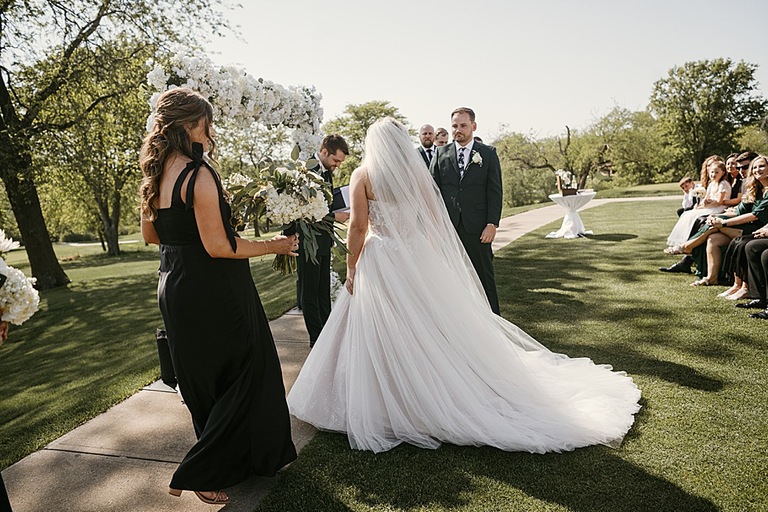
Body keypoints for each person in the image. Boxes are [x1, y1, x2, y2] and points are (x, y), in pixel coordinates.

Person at [287, 117, 640, 454]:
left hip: (380, 258)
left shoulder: (364, 175)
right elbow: (433, 220)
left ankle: (389, 397)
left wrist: (352, 267)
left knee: (381, 327)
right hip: (415, 255)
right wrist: (429, 257)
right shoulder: (416, 173)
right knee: (427, 326)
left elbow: (358, 227)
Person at [140, 88, 297, 505]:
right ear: (193, 125)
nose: (211, 131)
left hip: (174, 284)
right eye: (207, 122)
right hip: (216, 289)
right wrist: (276, 245)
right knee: (248, 372)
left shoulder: (153, 174)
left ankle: (232, 465)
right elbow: (219, 247)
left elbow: (151, 235)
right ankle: (198, 472)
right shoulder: (199, 174)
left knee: (205, 381)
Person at [430, 107, 502, 314]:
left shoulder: (488, 153)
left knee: (484, 277)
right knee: (451, 279)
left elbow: (495, 192)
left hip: (478, 228)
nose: (458, 130)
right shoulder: (440, 153)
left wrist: (492, 224)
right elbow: (432, 191)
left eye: (463, 125)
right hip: (448, 228)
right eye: (454, 126)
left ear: (473, 126)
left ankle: (494, 321)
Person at [672, 155, 768, 286]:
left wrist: (723, 222)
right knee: (714, 238)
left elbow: (754, 216)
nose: (757, 170)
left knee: (716, 226)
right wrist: (718, 216)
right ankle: (712, 277)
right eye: (755, 167)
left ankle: (687, 247)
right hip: (746, 225)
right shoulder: (755, 189)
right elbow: (738, 211)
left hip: (758, 229)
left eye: (762, 166)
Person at [297, 135, 350, 347]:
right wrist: (334, 216)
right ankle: (316, 339)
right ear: (325, 152)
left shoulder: (327, 172)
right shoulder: (306, 171)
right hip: (309, 241)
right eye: (336, 160)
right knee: (310, 291)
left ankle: (328, 334)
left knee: (322, 289)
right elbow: (304, 210)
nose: (337, 165)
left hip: (323, 240)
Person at [665, 157, 730, 249]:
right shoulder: (712, 184)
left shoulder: (723, 184)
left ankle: (689, 244)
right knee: (688, 213)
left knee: (695, 216)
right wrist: (701, 205)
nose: (713, 174)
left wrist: (707, 205)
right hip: (711, 206)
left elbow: (719, 202)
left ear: (722, 173)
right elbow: (706, 198)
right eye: (712, 172)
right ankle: (685, 241)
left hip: (720, 207)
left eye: (716, 172)